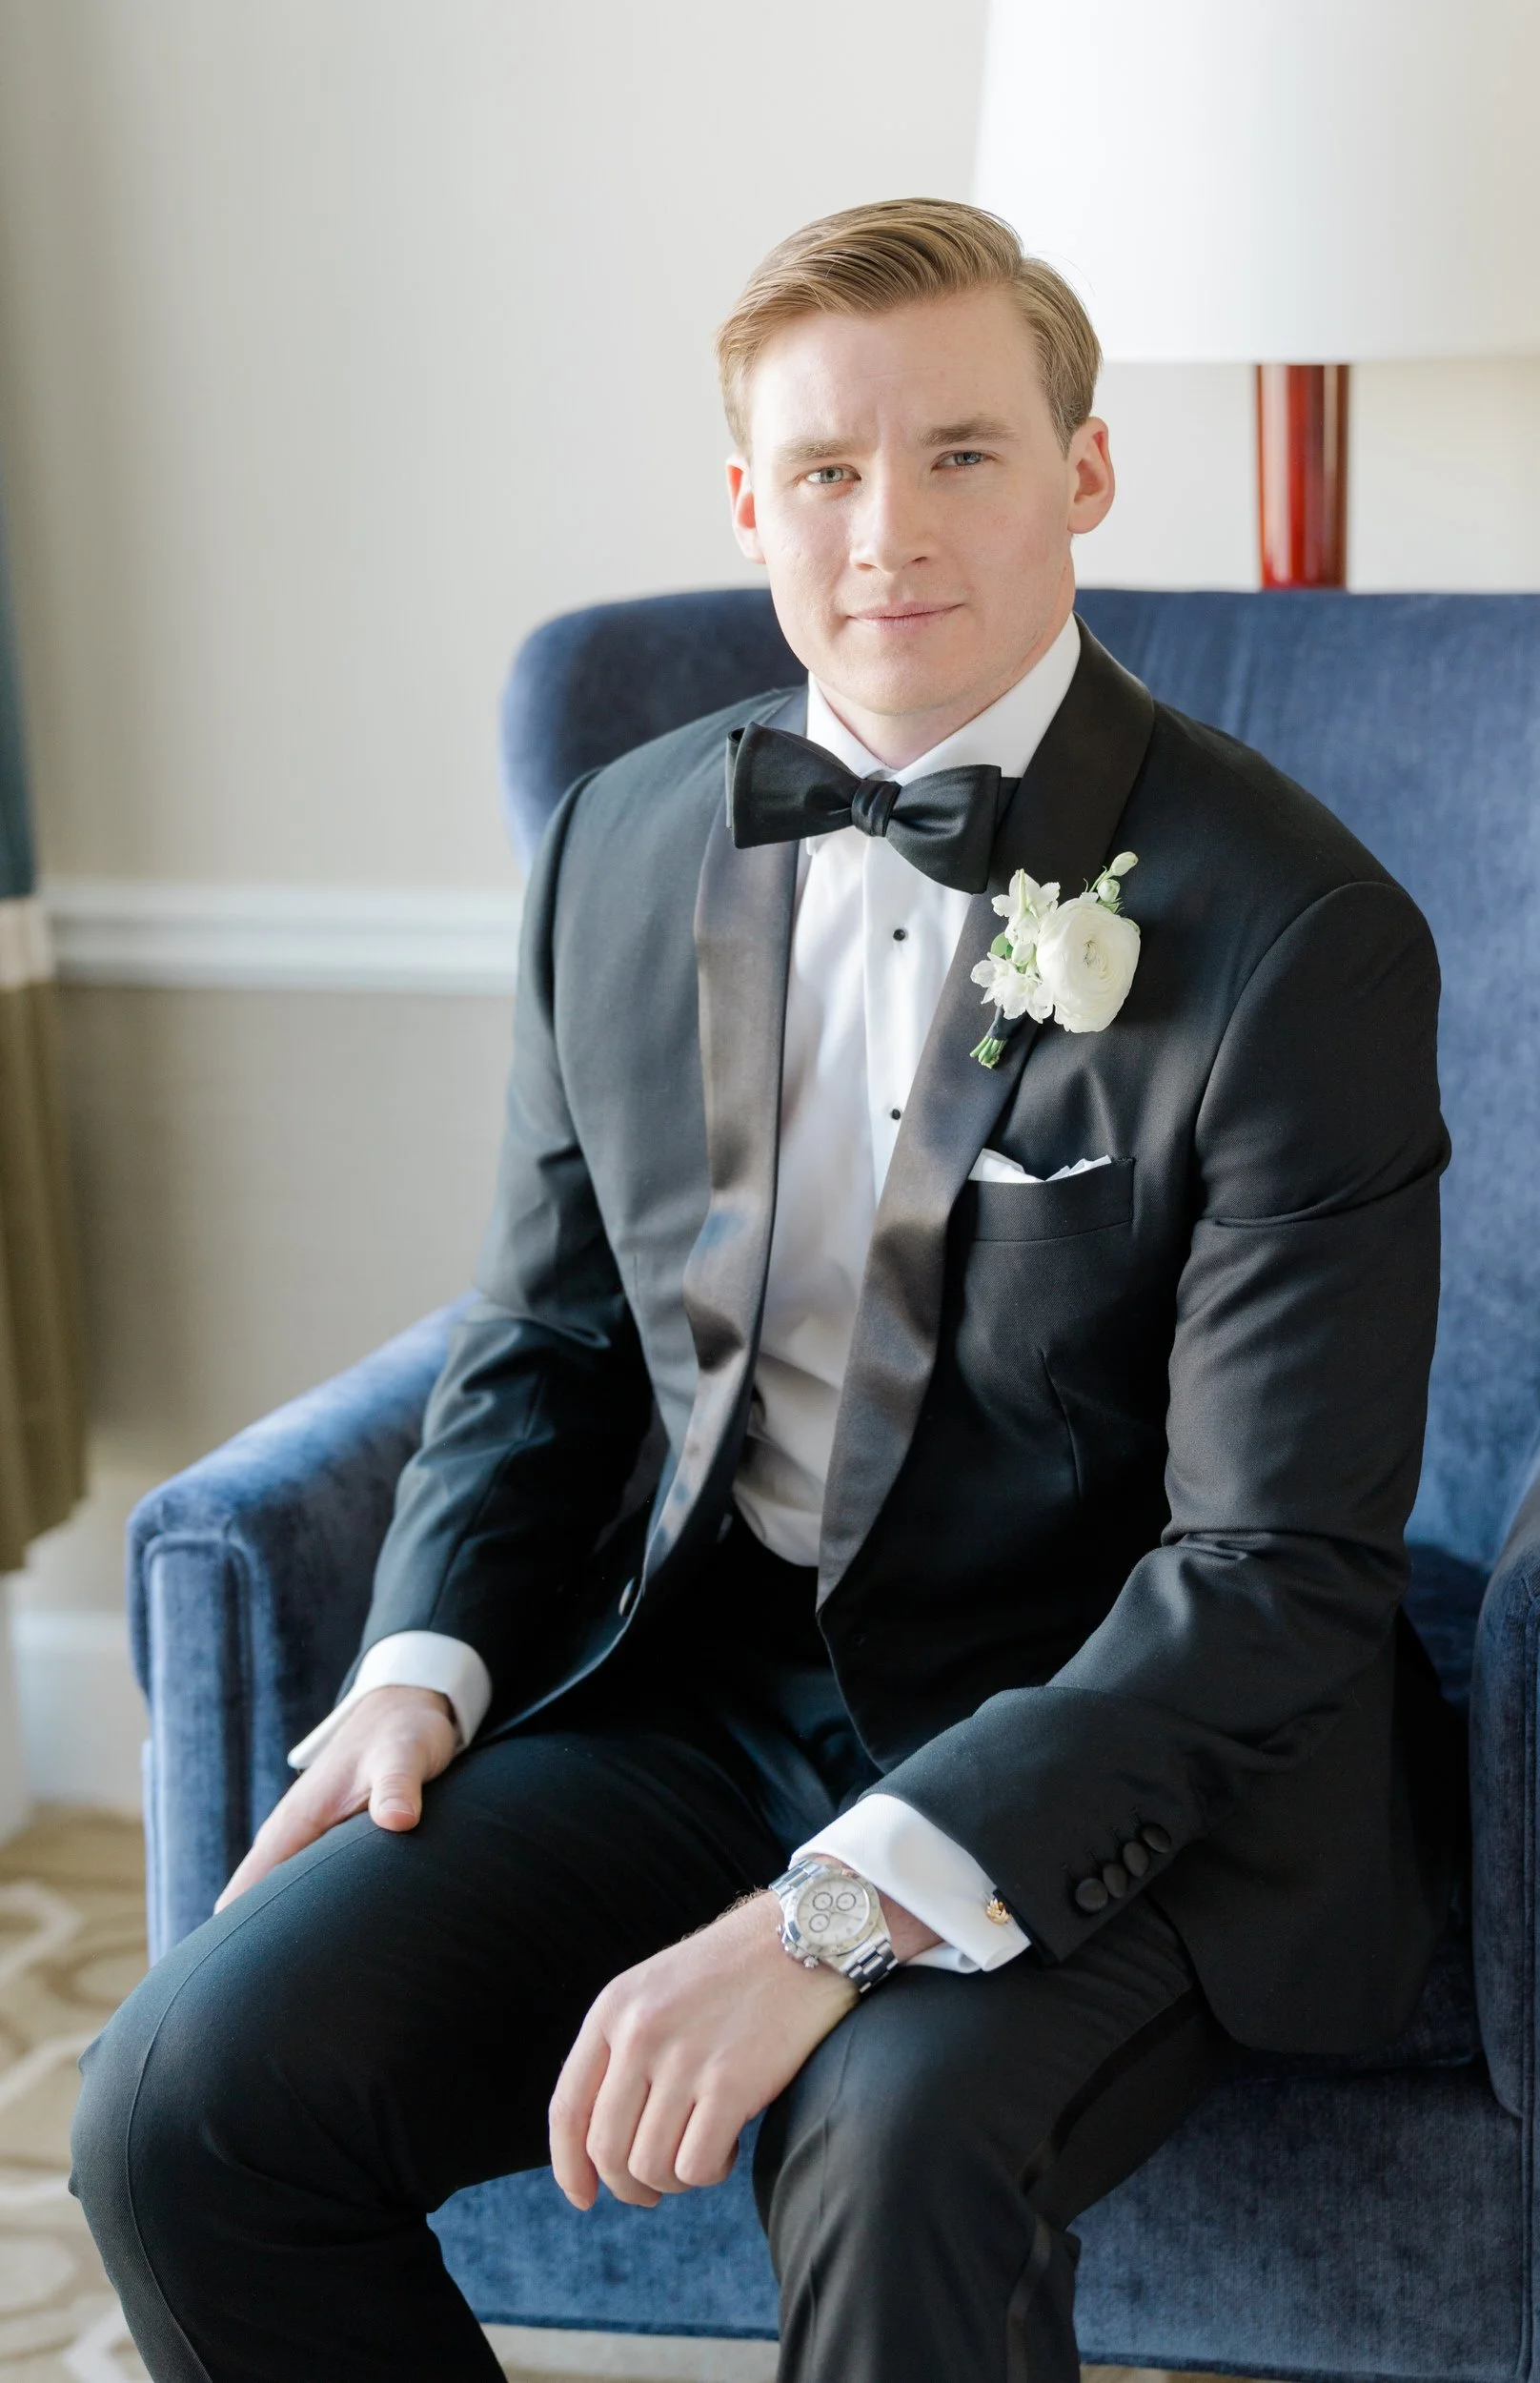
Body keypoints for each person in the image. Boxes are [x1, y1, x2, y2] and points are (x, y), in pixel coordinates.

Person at [71, 198, 1462, 2383]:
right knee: (176, 2111)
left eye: (961, 454)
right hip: (693, 1693)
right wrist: (423, 1658)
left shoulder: (1296, 935)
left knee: (886, 2132)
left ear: (1081, 472)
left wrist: (830, 1914)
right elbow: (541, 1336)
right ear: (748, 500)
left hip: (1108, 1752)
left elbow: (1273, 1572)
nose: (885, 528)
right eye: (823, 468)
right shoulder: (620, 840)